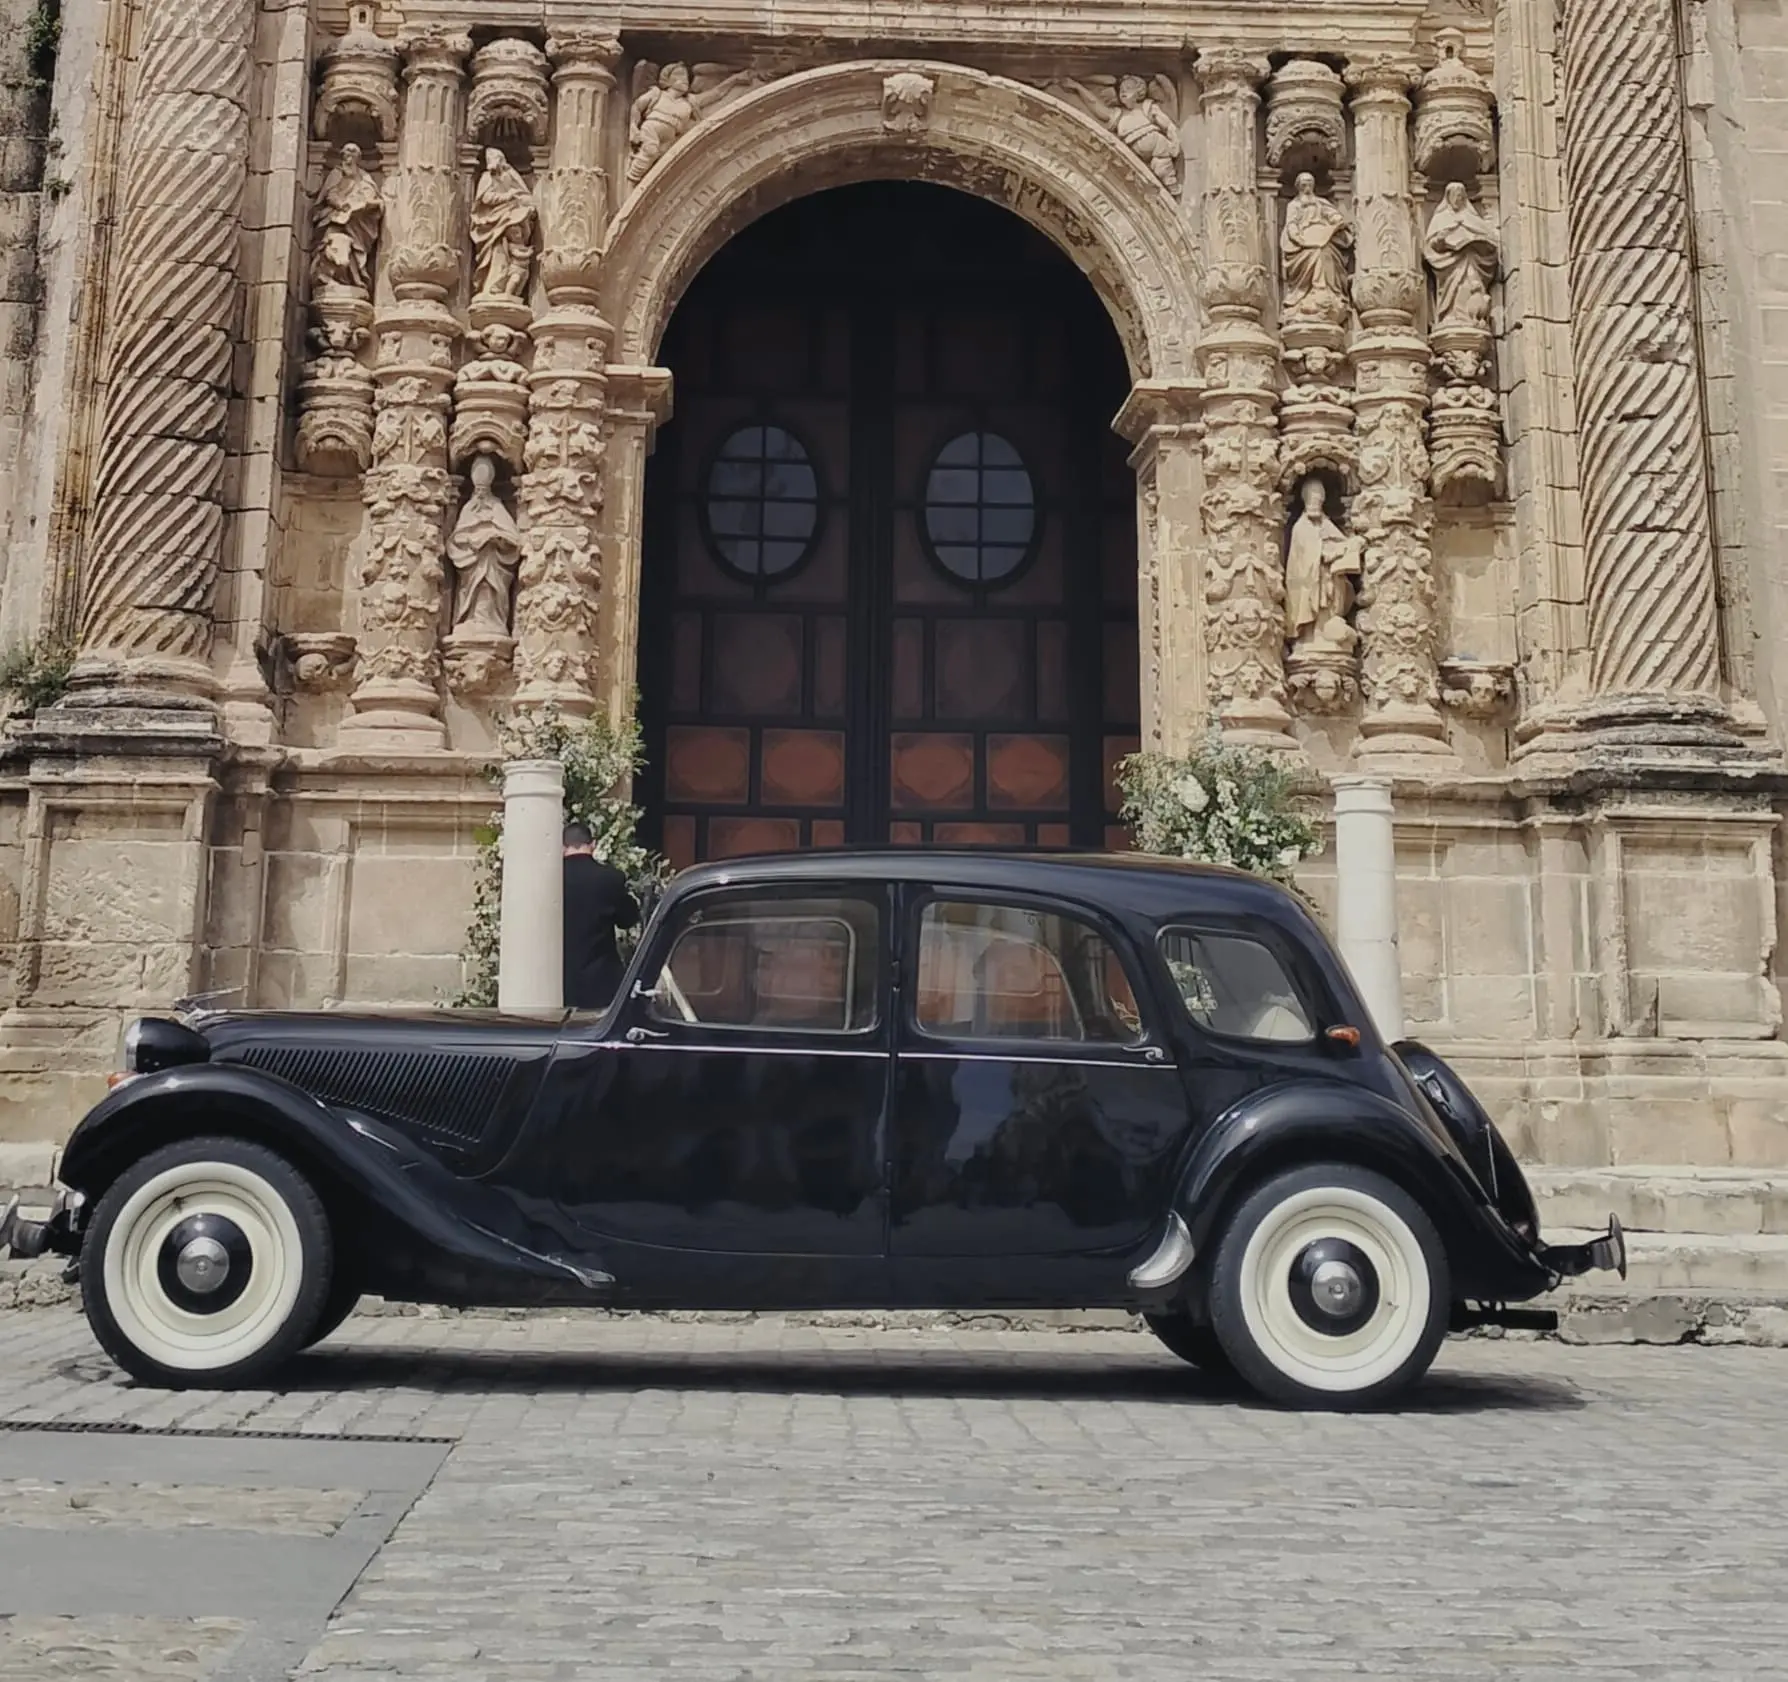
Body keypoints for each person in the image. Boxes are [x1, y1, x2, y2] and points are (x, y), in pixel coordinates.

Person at [562, 822, 639, 1009]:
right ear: (593, 844)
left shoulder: (549, 878)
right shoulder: (610, 878)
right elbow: (627, 920)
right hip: (599, 979)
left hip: (556, 980)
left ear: (563, 847)